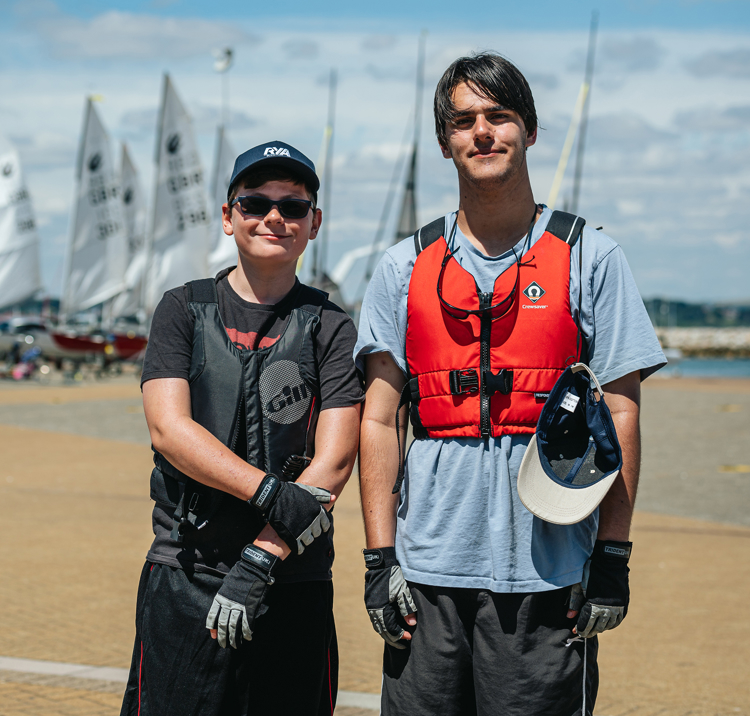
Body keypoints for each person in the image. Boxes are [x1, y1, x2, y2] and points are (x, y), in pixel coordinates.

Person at [356, 53, 666, 716]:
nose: (483, 133)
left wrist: (614, 555)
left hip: (550, 571)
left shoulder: (591, 257)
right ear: (446, 142)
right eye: (464, 121)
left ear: (529, 129)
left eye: (500, 116)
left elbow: (622, 412)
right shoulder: (403, 265)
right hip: (427, 570)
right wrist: (379, 560)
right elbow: (379, 419)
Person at [120, 140, 363, 716]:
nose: (274, 218)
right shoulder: (182, 309)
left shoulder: (331, 327)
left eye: (294, 207)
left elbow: (333, 462)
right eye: (254, 203)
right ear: (228, 218)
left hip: (292, 579)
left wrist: (262, 557)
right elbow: (169, 429)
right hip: (186, 570)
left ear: (314, 224)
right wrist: (269, 492)